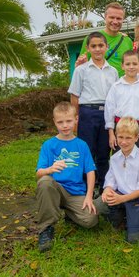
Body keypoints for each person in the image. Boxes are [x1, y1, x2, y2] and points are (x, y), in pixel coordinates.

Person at [35, 101, 98, 252]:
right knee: (44, 182)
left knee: (91, 221)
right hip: (56, 189)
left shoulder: (82, 145)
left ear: (76, 119)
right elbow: (39, 173)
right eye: (60, 122)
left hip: (76, 192)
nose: (65, 125)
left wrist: (89, 196)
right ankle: (46, 228)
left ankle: (70, 213)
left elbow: (90, 172)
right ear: (54, 122)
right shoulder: (49, 145)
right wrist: (49, 169)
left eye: (69, 121)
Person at [68, 31, 119, 192]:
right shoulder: (81, 70)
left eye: (101, 46)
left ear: (107, 47)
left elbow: (116, 96)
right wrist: (75, 119)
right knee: (87, 151)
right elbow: (74, 97)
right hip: (87, 113)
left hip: (107, 113)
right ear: (88, 49)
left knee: (104, 151)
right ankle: (85, 187)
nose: (97, 49)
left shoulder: (113, 71)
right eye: (94, 46)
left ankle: (104, 187)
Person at [100, 117, 139, 243]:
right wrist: (107, 190)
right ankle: (122, 217)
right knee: (99, 205)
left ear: (136, 137)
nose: (123, 142)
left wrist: (121, 199)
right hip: (121, 195)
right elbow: (110, 180)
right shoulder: (115, 158)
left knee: (134, 238)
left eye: (128, 138)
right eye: (120, 137)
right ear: (116, 135)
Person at [104, 51, 139, 153]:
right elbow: (109, 110)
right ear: (122, 66)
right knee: (120, 159)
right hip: (121, 128)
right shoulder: (116, 87)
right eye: (128, 64)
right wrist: (111, 133)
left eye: (134, 64)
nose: (131, 67)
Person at [76, 2, 133, 77]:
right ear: (105, 17)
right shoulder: (92, 39)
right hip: (99, 86)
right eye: (111, 17)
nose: (115, 21)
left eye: (119, 18)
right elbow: (81, 67)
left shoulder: (127, 41)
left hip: (122, 86)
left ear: (123, 20)